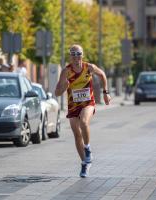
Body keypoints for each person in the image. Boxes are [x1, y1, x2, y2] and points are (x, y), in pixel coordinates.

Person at [55, 44, 111, 178]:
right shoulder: (66, 71)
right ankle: (85, 163)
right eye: (73, 54)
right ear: (70, 56)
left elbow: (102, 75)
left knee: (84, 122)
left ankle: (88, 149)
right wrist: (64, 86)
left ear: (82, 54)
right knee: (76, 134)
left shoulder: (89, 67)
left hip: (88, 102)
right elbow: (57, 92)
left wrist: (105, 93)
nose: (76, 57)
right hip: (73, 105)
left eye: (78, 53)